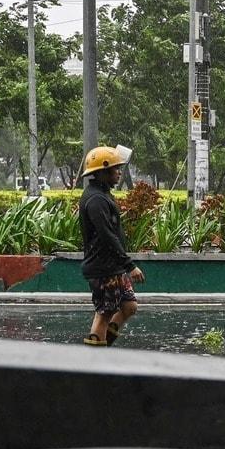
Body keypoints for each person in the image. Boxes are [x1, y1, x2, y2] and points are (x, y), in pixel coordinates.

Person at [79, 144, 144, 347]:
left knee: (129, 306)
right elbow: (107, 235)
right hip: (103, 267)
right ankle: (95, 361)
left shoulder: (102, 193)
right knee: (104, 314)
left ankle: (103, 344)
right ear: (102, 172)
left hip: (112, 265)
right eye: (115, 169)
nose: (119, 173)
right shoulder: (96, 200)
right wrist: (129, 265)